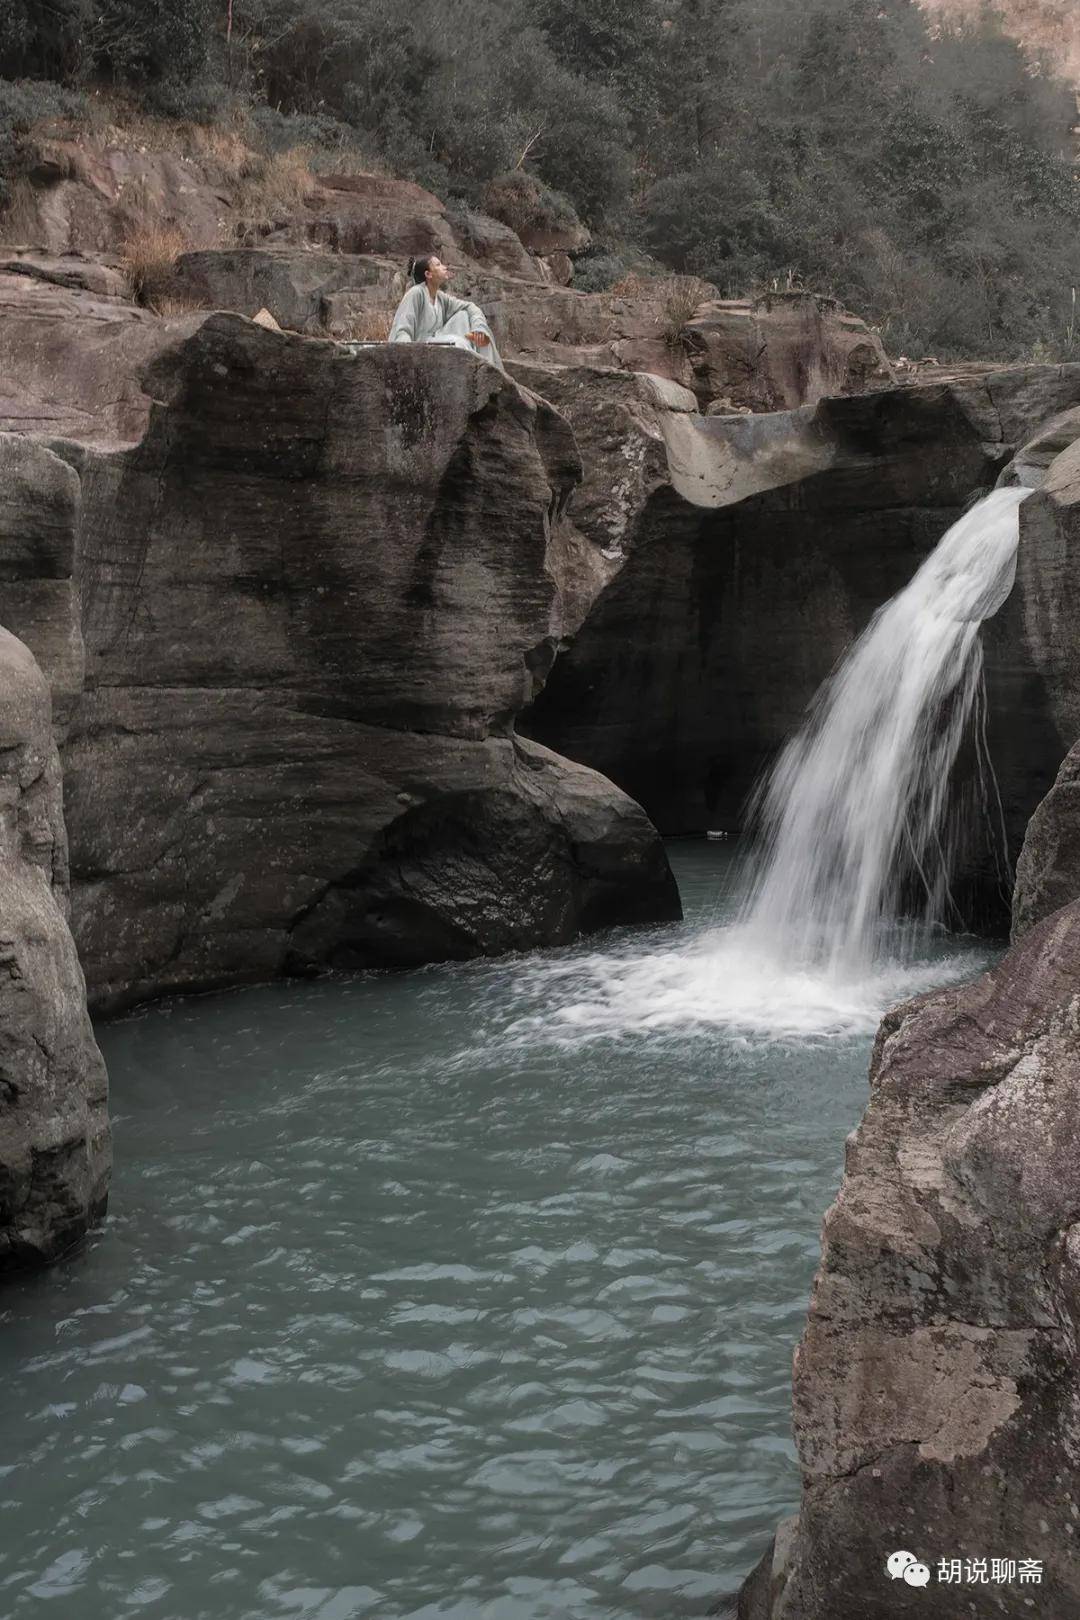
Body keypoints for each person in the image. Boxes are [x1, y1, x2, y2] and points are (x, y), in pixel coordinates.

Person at [388, 255, 503, 370]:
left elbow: (470, 307)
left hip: (437, 343)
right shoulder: (416, 293)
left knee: (464, 316)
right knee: (458, 343)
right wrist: (407, 358)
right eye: (438, 265)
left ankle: (488, 374)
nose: (444, 267)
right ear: (428, 274)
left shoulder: (441, 298)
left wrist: (478, 328)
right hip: (420, 349)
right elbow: (402, 330)